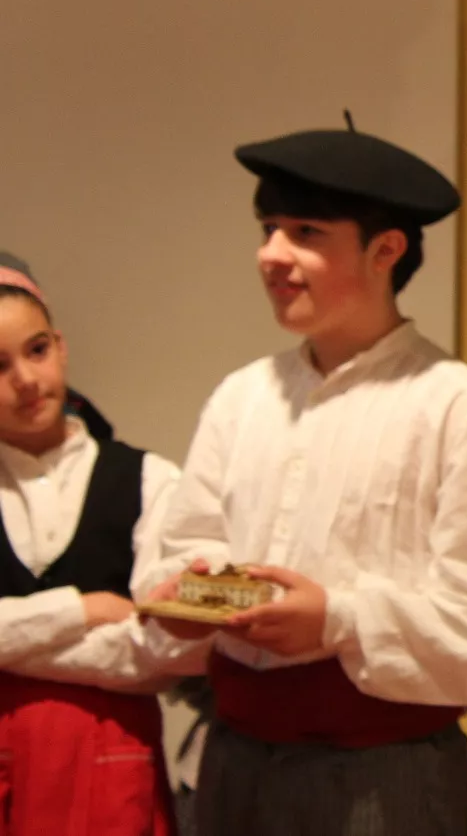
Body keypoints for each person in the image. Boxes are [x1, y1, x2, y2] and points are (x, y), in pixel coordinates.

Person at [142, 121, 467, 836]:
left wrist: (337, 619)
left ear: (385, 249)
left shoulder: (463, 409)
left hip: (380, 774)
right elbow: (189, 542)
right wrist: (186, 597)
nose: (272, 255)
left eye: (305, 232)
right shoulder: (243, 397)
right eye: (268, 228)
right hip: (233, 762)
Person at [0, 251, 188, 835]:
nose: (27, 381)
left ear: (60, 344)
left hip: (111, 778)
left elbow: (163, 653)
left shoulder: (151, 480)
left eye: (37, 351)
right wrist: (81, 610)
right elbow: (126, 636)